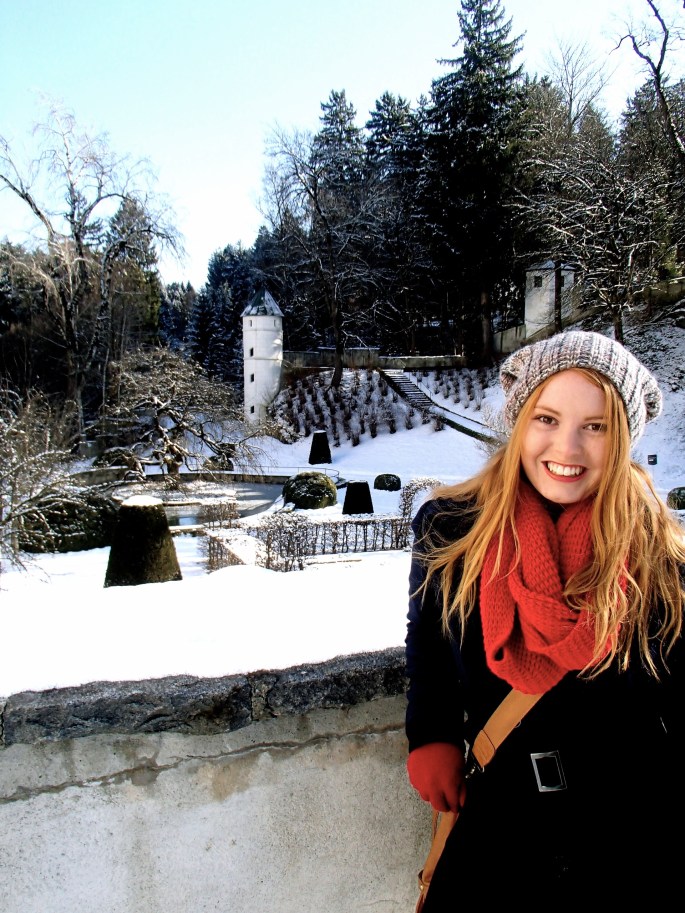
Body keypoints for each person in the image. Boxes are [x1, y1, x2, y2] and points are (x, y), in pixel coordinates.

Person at [405, 330, 685, 908]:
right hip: (500, 833)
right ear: (519, 421)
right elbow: (429, 642)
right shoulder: (452, 528)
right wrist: (430, 734)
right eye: (548, 418)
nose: (569, 447)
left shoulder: (658, 548)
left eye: (596, 426)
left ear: (622, 437)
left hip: (631, 844)